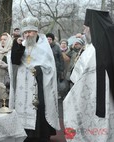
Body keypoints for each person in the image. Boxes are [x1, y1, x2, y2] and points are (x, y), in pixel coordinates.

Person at [63, 9, 114, 141]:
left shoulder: (92, 50)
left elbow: (75, 77)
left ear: (93, 28)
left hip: (93, 98)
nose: (84, 31)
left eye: (86, 28)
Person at [8, 16, 60, 142]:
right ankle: (25, 135)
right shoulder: (21, 45)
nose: (27, 35)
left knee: (40, 108)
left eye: (30, 32)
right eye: (25, 32)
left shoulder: (44, 47)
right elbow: (14, 62)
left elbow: (50, 69)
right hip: (22, 86)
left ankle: (41, 135)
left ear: (36, 32)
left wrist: (39, 70)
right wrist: (16, 45)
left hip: (39, 86)